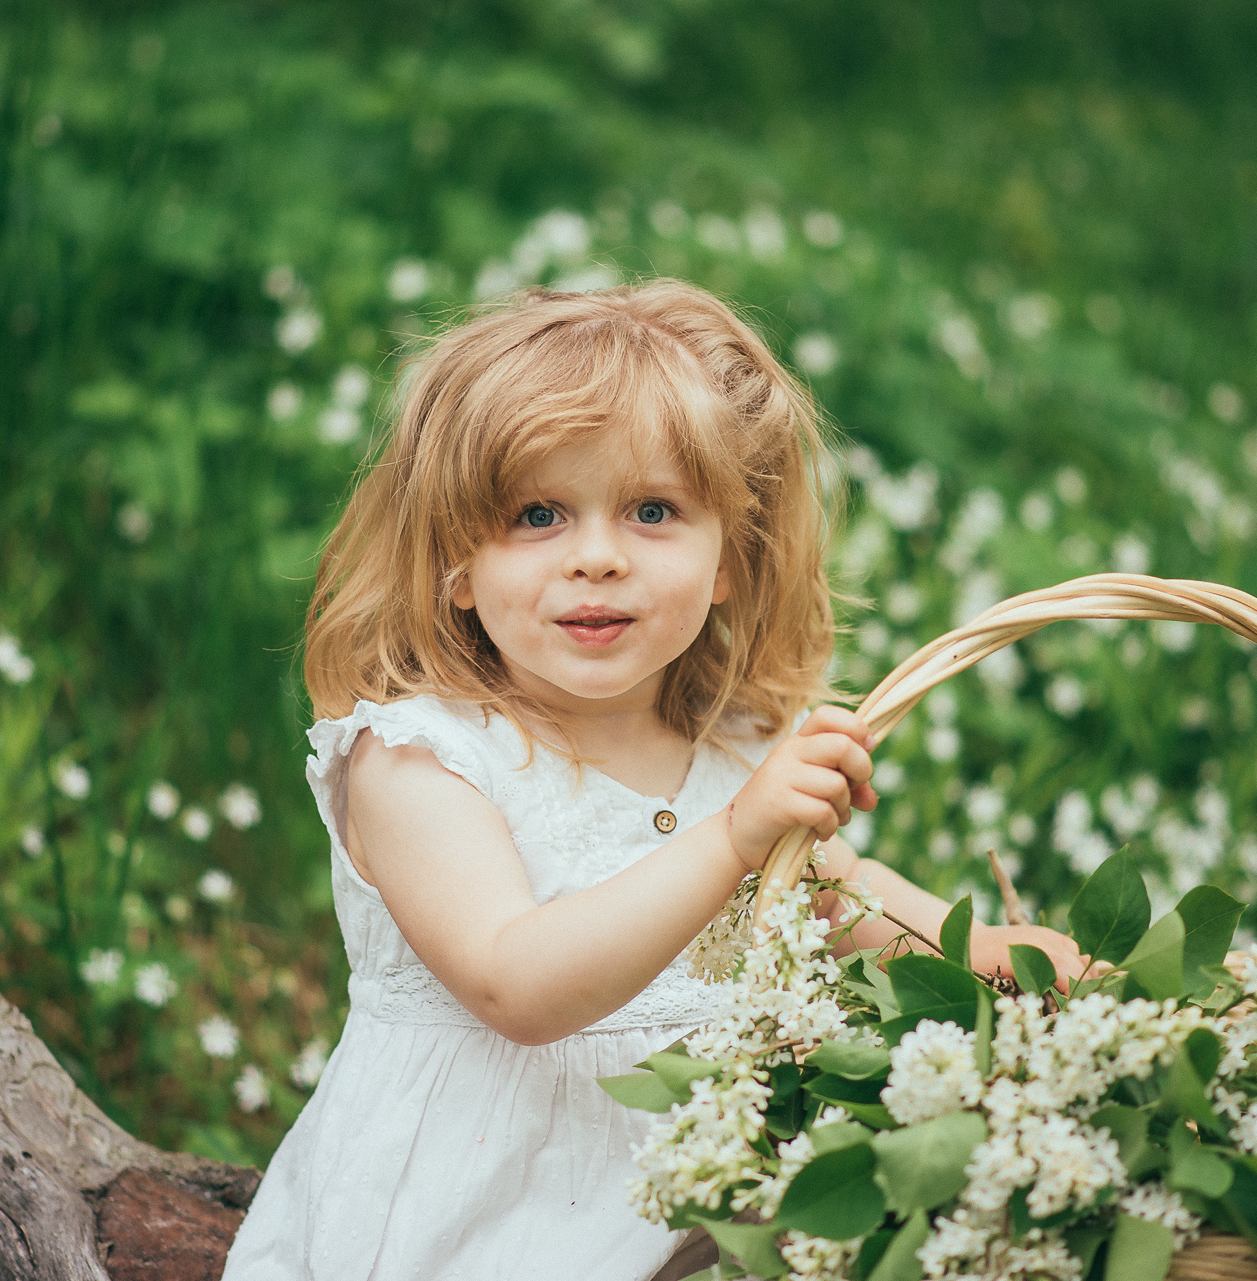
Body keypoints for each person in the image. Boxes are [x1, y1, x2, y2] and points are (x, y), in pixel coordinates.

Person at [219, 281, 1085, 1281]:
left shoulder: (735, 749)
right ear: (455, 563)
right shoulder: (422, 758)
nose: (596, 558)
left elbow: (832, 894)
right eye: (537, 514)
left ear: (727, 559)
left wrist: (981, 952)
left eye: (652, 511)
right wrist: (729, 840)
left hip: (690, 1209)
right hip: (477, 1222)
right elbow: (515, 984)